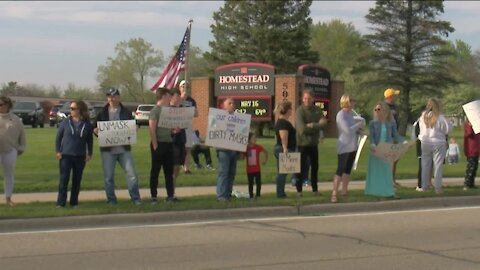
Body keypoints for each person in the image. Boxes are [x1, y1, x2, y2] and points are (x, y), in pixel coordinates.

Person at [93, 88, 141, 205]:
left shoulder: (125, 112)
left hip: (124, 149)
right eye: (109, 96)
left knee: (132, 174)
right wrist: (96, 131)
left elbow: (133, 125)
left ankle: (135, 198)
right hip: (108, 150)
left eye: (114, 96)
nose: (112, 99)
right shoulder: (102, 113)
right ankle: (111, 199)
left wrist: (134, 128)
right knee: (108, 177)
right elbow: (94, 127)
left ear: (119, 97)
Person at [55, 100, 93, 208]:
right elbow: (58, 138)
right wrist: (58, 151)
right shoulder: (66, 122)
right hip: (66, 155)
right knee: (64, 179)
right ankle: (61, 203)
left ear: (80, 110)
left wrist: (89, 153)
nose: (70, 111)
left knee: (77, 180)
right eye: (70, 109)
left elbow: (89, 140)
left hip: (80, 156)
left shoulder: (87, 124)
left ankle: (74, 202)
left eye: (73, 109)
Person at [365, 102, 405, 198]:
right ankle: (377, 191)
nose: (377, 112)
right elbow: (372, 137)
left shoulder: (391, 123)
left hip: (387, 149)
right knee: (377, 172)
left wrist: (403, 142)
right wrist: (373, 145)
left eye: (379, 109)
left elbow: (395, 135)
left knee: (387, 172)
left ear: (385, 110)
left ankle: (389, 192)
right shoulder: (373, 123)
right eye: (375, 110)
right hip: (377, 150)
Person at [331, 95, 365, 203]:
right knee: (340, 169)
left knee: (347, 170)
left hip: (352, 146)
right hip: (344, 146)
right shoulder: (341, 115)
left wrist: (360, 131)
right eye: (351, 101)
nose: (353, 103)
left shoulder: (350, 115)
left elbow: (353, 130)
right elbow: (347, 130)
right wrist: (358, 125)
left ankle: (344, 190)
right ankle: (334, 193)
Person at [295, 89, 328, 196]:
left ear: (313, 99)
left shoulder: (317, 110)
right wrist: (317, 126)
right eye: (305, 98)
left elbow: (324, 124)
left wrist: (313, 125)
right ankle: (299, 191)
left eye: (309, 98)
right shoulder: (300, 111)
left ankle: (315, 189)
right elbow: (302, 129)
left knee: (315, 167)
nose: (307, 100)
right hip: (302, 144)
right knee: (300, 167)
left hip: (314, 144)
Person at [417, 98, 452, 194]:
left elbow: (420, 129)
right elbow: (447, 130)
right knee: (438, 165)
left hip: (425, 142)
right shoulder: (441, 117)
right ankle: (438, 188)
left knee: (425, 164)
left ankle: (424, 186)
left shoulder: (423, 116)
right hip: (438, 142)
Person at [148, 88, 176, 203]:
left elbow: (170, 129)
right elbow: (152, 129)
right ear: (163, 96)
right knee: (155, 171)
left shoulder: (168, 111)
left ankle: (170, 195)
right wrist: (155, 144)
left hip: (168, 143)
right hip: (158, 144)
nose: (170, 98)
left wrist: (175, 130)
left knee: (169, 172)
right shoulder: (155, 111)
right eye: (169, 96)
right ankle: (154, 196)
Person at [0, 96, 26, 206]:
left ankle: (8, 198)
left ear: (7, 105)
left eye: (1, 104)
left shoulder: (15, 119)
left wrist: (21, 147)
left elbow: (22, 135)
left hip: (10, 150)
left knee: (9, 175)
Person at [216, 97, 239, 201]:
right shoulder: (219, 117)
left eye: (233, 103)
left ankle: (228, 194)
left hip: (234, 149)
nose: (232, 105)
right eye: (229, 103)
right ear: (224, 106)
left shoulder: (238, 118)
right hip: (224, 149)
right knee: (224, 172)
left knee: (232, 173)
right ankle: (221, 195)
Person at [274, 101, 296, 198]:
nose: (292, 111)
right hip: (282, 149)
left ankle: (281, 192)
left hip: (281, 148)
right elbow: (283, 136)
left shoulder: (282, 121)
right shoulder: (283, 123)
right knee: (282, 172)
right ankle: (280, 193)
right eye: (291, 109)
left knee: (283, 172)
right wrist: (285, 148)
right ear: (287, 110)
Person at [170, 89, 187, 199]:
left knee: (177, 169)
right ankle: (170, 193)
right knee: (173, 167)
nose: (179, 98)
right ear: (171, 98)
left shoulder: (181, 109)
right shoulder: (168, 110)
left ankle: (172, 192)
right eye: (177, 96)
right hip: (172, 142)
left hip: (181, 141)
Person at [179, 80, 198, 175]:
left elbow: (196, 113)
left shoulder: (191, 101)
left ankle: (186, 167)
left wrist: (191, 111)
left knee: (188, 147)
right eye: (183, 87)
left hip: (188, 126)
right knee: (178, 148)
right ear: (180, 88)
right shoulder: (177, 98)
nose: (185, 89)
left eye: (187, 87)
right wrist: (181, 99)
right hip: (178, 125)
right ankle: (177, 165)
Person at [383, 88, 401, 187]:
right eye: (394, 95)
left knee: (394, 158)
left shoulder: (394, 106)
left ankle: (392, 179)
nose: (396, 97)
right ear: (390, 97)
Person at [244, 132, 268, 199]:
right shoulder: (246, 148)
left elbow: (266, 152)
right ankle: (251, 196)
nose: (255, 139)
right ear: (249, 140)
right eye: (253, 138)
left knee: (258, 182)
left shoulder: (258, 147)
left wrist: (265, 161)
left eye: (255, 138)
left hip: (257, 169)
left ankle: (258, 195)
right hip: (249, 170)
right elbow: (242, 157)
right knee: (250, 183)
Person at [463, 118, 480, 190]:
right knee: (471, 166)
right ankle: (467, 184)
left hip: (476, 147)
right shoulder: (469, 123)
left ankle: (471, 183)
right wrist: (470, 126)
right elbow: (468, 133)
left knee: (474, 166)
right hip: (471, 148)